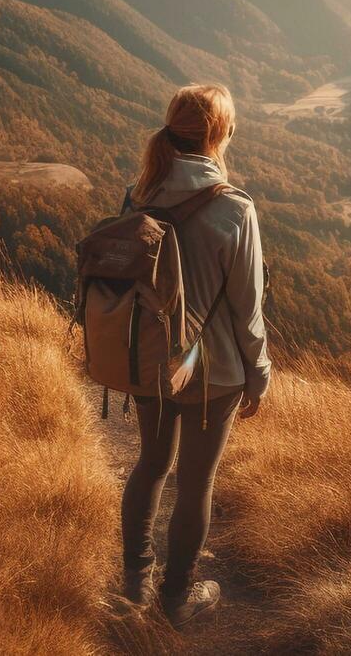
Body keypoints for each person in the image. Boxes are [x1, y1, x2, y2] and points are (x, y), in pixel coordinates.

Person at [117, 84, 271, 628]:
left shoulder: (138, 195)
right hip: (212, 373)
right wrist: (259, 373)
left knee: (151, 463)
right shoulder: (233, 207)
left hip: (148, 362)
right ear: (220, 134)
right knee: (195, 481)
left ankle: (133, 583)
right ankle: (176, 600)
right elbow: (248, 307)